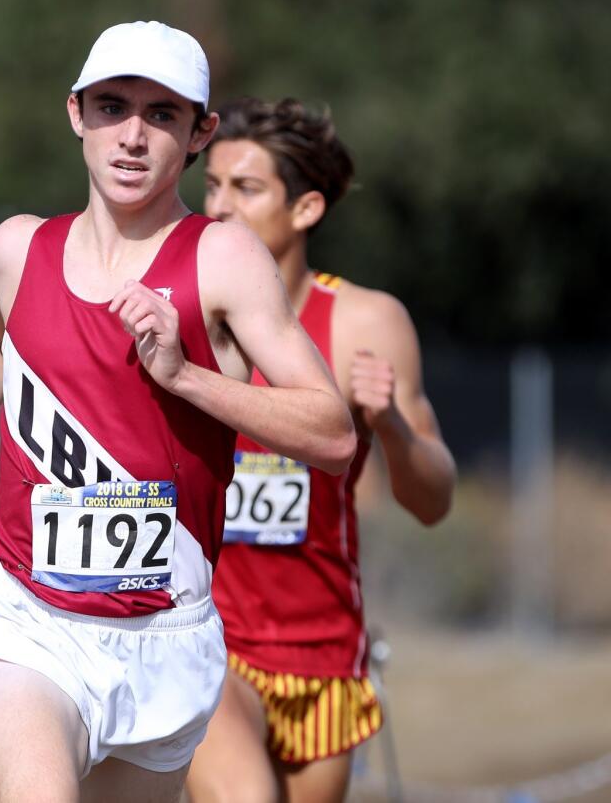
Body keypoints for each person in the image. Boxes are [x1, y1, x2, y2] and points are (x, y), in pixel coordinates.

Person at [0, 23, 355, 803]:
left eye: (162, 115)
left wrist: (187, 377)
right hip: (23, 613)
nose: (132, 136)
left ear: (200, 132)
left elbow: (332, 434)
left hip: (165, 632)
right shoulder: (18, 246)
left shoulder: (224, 259)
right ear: (75, 114)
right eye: (111, 107)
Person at [186, 97, 456, 803]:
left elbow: (433, 501)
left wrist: (391, 426)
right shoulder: (176, 311)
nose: (218, 208)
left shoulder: (365, 322)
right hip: (205, 638)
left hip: (322, 654)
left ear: (306, 210)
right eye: (211, 185)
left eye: (245, 189)